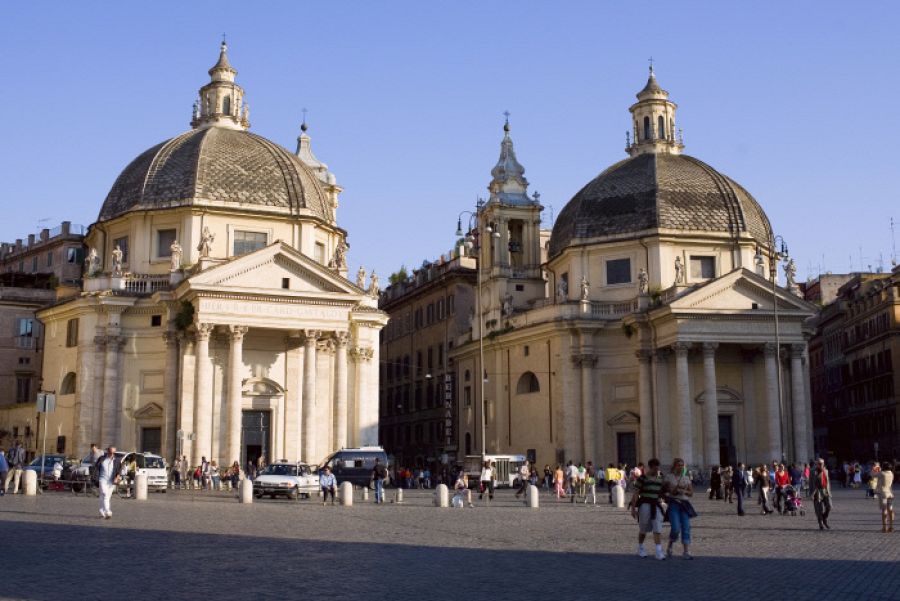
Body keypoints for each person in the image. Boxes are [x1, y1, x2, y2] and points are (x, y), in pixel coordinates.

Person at [629, 458, 666, 560]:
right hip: (645, 504)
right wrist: (633, 508)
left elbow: (663, 491)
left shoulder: (661, 477)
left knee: (657, 527)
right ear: (650, 468)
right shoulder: (642, 478)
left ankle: (658, 551)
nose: (657, 471)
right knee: (643, 529)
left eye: (658, 469)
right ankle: (640, 547)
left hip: (656, 504)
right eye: (655, 469)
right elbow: (636, 494)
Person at [664, 458, 695, 559]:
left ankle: (686, 551)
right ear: (674, 466)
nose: (681, 467)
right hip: (674, 503)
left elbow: (691, 493)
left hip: (684, 504)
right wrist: (676, 489)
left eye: (682, 465)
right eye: (679, 465)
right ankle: (670, 544)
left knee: (686, 527)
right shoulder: (669, 477)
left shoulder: (686, 478)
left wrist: (684, 492)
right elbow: (669, 491)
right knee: (675, 528)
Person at [96, 446, 122, 519]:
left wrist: (117, 478)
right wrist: (95, 477)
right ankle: (108, 511)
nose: (112, 454)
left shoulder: (117, 460)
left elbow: (118, 471)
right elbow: (96, 468)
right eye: (111, 452)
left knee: (104, 496)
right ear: (108, 451)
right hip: (102, 479)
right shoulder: (102, 459)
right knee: (105, 494)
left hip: (111, 481)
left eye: (114, 452)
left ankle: (101, 510)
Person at [810, 458, 832, 530]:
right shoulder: (813, 471)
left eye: (822, 463)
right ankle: (820, 523)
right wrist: (812, 494)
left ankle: (824, 518)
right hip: (817, 491)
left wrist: (829, 491)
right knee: (819, 509)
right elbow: (811, 483)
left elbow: (828, 482)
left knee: (829, 506)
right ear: (817, 464)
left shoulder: (826, 471)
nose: (820, 465)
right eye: (819, 463)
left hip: (825, 491)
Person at [873, 462, 894, 533]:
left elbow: (872, 475)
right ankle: (891, 526)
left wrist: (876, 466)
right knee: (890, 510)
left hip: (883, 494)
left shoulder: (881, 474)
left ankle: (884, 527)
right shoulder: (891, 473)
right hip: (890, 493)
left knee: (884, 510)